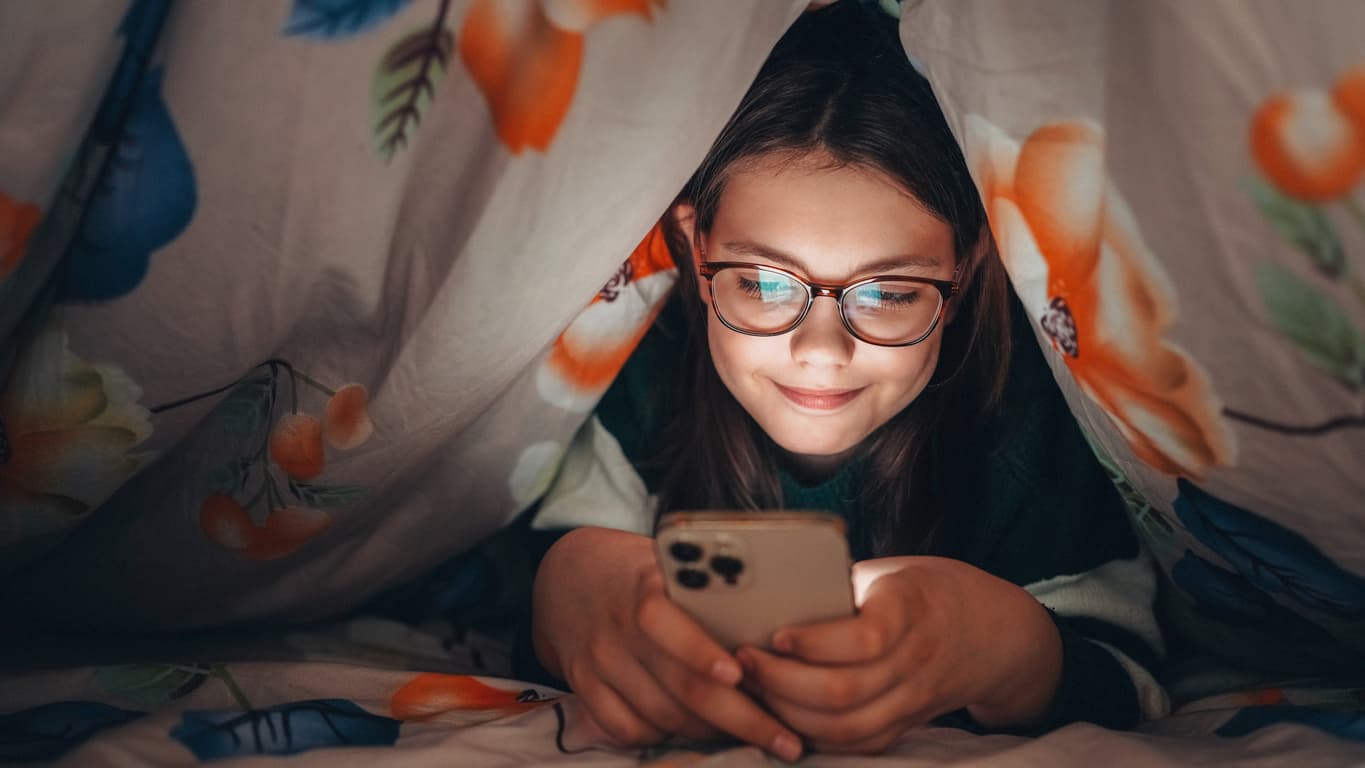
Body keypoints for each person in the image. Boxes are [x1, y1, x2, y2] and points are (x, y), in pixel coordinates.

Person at [518, 1, 1163, 759]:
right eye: (761, 282)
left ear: (967, 273)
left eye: (888, 293)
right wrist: (574, 590)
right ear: (695, 251)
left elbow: (1132, 680)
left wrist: (995, 642)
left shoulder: (1027, 428)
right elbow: (541, 574)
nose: (819, 351)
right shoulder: (644, 373)